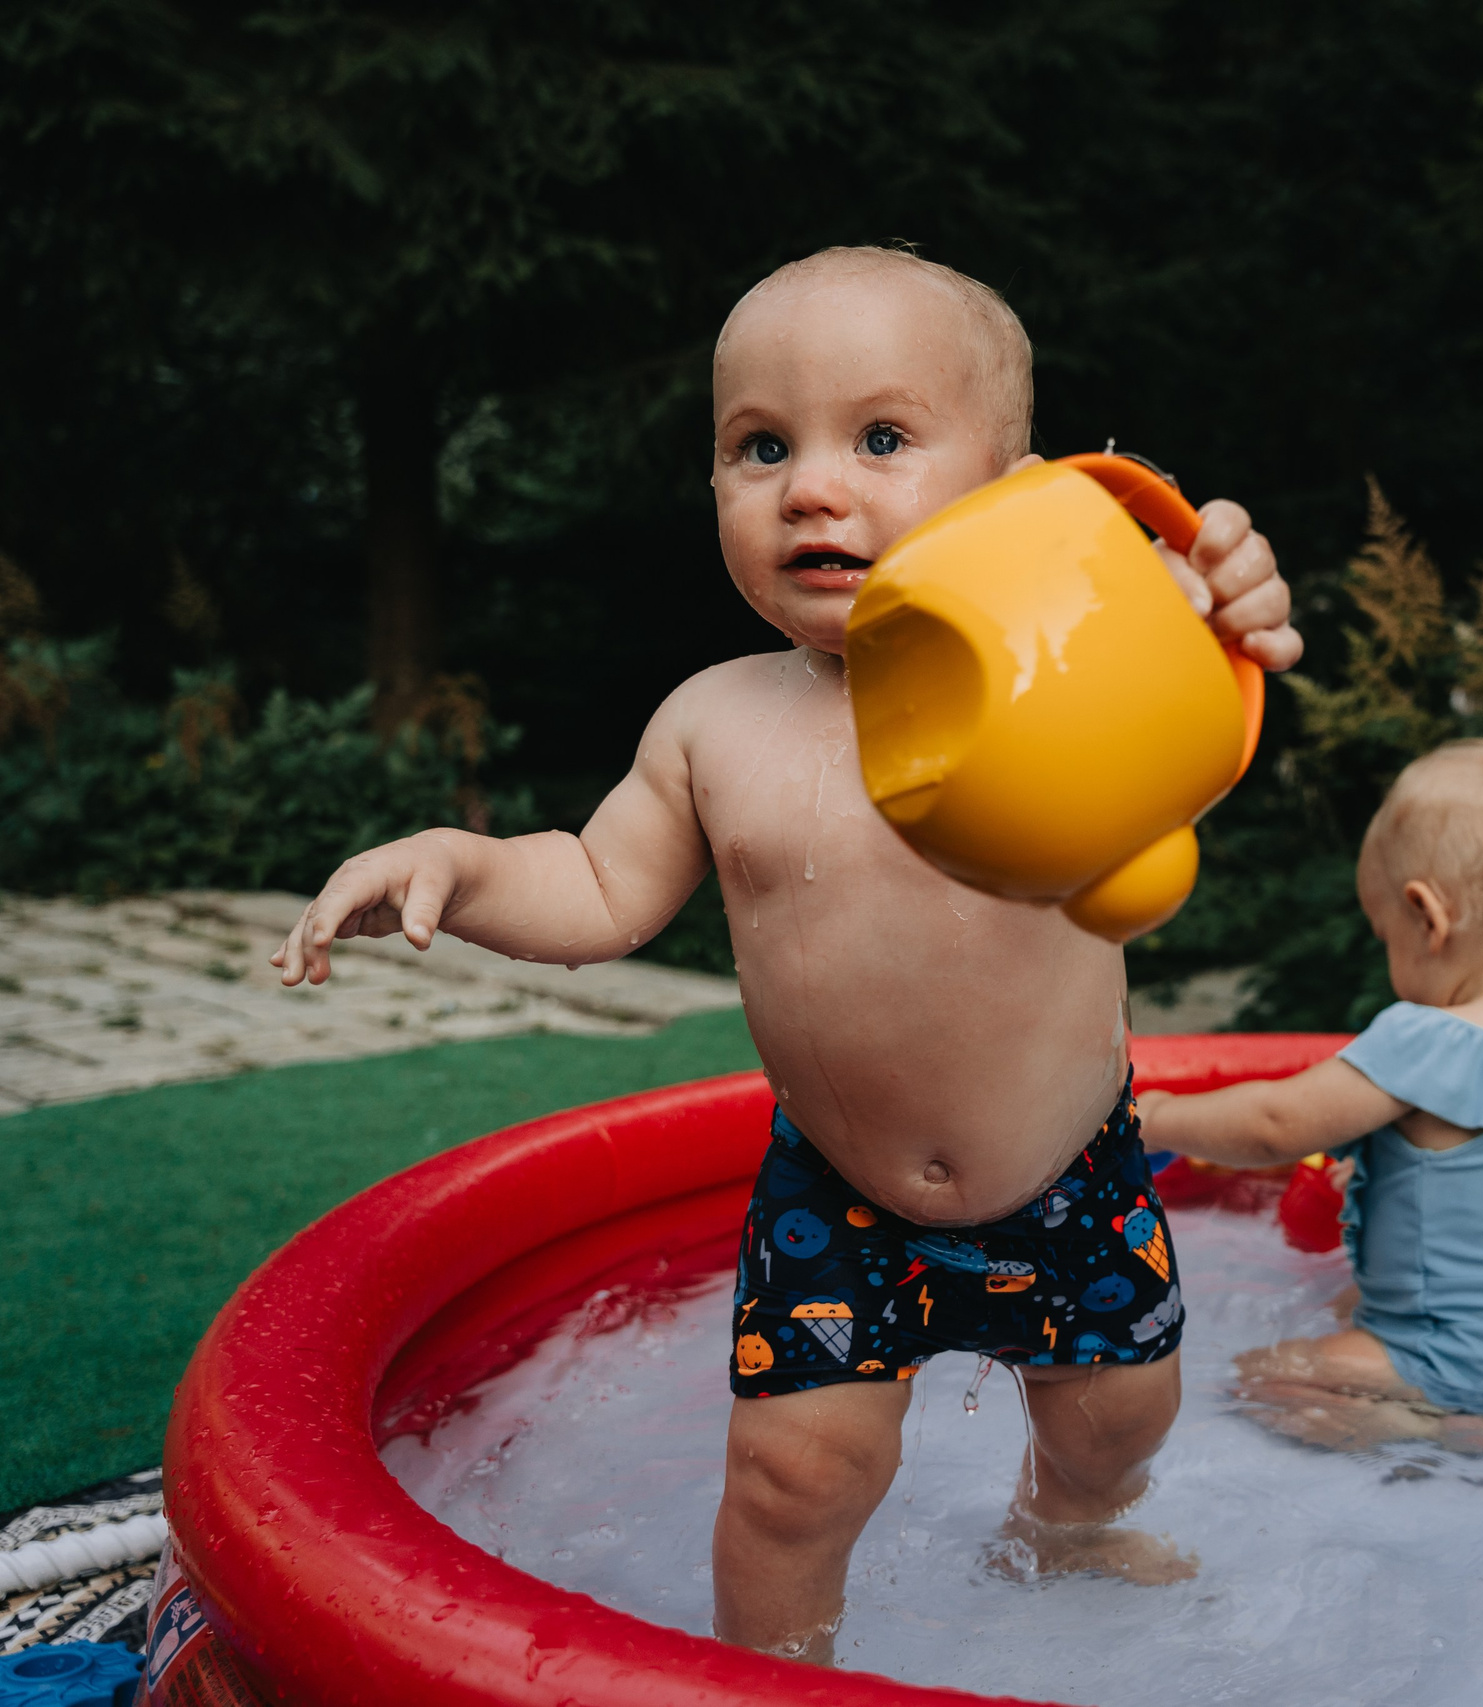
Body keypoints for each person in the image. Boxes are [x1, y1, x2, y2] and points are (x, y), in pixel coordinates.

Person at [268, 246, 1304, 1664]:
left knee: (1119, 1414)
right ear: (712, 488)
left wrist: (1215, 603)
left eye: (881, 437)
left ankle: (1069, 1526)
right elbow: (595, 886)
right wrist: (460, 861)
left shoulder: (1054, 665)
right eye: (760, 445)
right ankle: (770, 1671)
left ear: (1014, 488)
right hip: (843, 1188)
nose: (811, 484)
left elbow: (1177, 739)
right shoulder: (714, 722)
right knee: (792, 1476)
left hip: (1071, 1165)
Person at [1136, 740, 1483, 1462]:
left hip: (1459, 1367)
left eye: (1384, 933)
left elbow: (1274, 1126)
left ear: (1427, 916)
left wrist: (1160, 1115)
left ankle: (1459, 1433)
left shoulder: (1434, 1039)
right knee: (1345, 1303)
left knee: (1264, 1380)